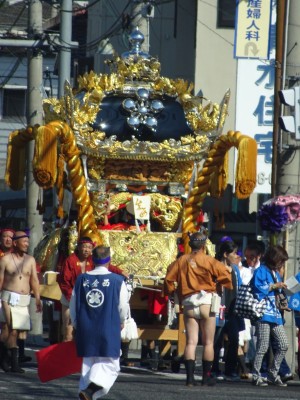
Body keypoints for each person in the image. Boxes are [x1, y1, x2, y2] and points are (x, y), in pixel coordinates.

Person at [164, 228, 233, 386]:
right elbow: (226, 276)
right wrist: (219, 282)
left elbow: (168, 278)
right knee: (208, 342)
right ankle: (206, 376)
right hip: (207, 301)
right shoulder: (209, 260)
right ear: (204, 245)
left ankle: (189, 378)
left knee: (191, 342)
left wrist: (172, 292)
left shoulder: (182, 260)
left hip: (189, 302)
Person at [70, 245, 129, 400]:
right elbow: (123, 306)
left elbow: (73, 304)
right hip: (108, 327)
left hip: (85, 326)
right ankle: (90, 391)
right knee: (110, 363)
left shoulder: (82, 279)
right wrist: (122, 321)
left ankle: (85, 393)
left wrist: (76, 324)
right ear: (109, 260)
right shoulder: (117, 281)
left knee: (88, 364)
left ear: (92, 259)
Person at [0, 231, 42, 373]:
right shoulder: (5, 260)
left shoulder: (30, 260)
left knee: (16, 332)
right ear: (15, 243)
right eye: (24, 241)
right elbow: (0, 281)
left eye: (27, 241)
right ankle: (14, 363)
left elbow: (34, 280)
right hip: (8, 297)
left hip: (24, 300)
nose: (26, 244)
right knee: (12, 329)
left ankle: (3, 357)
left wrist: (37, 298)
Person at [251, 245, 289, 387]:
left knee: (284, 344)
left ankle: (273, 373)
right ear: (274, 258)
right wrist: (274, 286)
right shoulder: (261, 271)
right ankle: (256, 375)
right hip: (263, 313)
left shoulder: (275, 273)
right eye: (281, 261)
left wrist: (284, 304)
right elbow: (257, 289)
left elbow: (276, 292)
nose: (281, 264)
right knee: (263, 346)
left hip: (275, 314)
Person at [213, 240, 244, 382]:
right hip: (219, 307)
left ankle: (230, 369)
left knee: (234, 339)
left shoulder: (235, 269)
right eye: (234, 253)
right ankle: (214, 368)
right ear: (225, 254)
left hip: (233, 309)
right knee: (217, 340)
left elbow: (239, 286)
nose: (236, 256)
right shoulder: (216, 267)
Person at [58, 237, 95, 341]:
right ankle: (66, 356)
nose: (87, 250)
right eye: (84, 247)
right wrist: (72, 298)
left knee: (85, 330)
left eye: (89, 247)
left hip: (87, 299)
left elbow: (107, 266)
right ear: (78, 247)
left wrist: (121, 272)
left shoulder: (93, 260)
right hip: (70, 297)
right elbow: (64, 282)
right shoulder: (70, 260)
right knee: (69, 330)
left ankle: (79, 356)